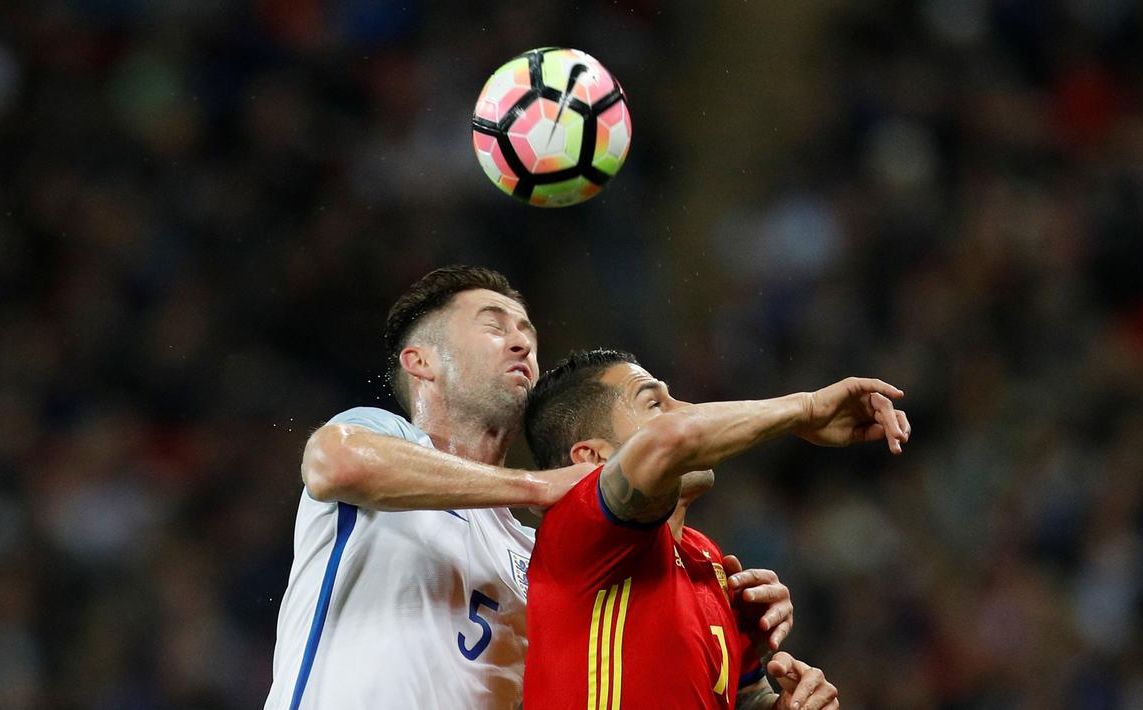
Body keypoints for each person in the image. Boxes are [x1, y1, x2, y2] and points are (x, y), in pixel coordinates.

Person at [265, 266, 593, 709]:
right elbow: (334, 463)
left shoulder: (533, 550)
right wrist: (535, 485)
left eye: (527, 332)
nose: (523, 344)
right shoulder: (383, 436)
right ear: (421, 362)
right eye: (494, 327)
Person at [521, 349, 912, 710]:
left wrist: (784, 705)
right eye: (655, 403)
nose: (687, 410)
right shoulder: (579, 527)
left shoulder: (706, 557)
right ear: (593, 458)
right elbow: (672, 439)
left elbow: (739, 698)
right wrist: (806, 409)